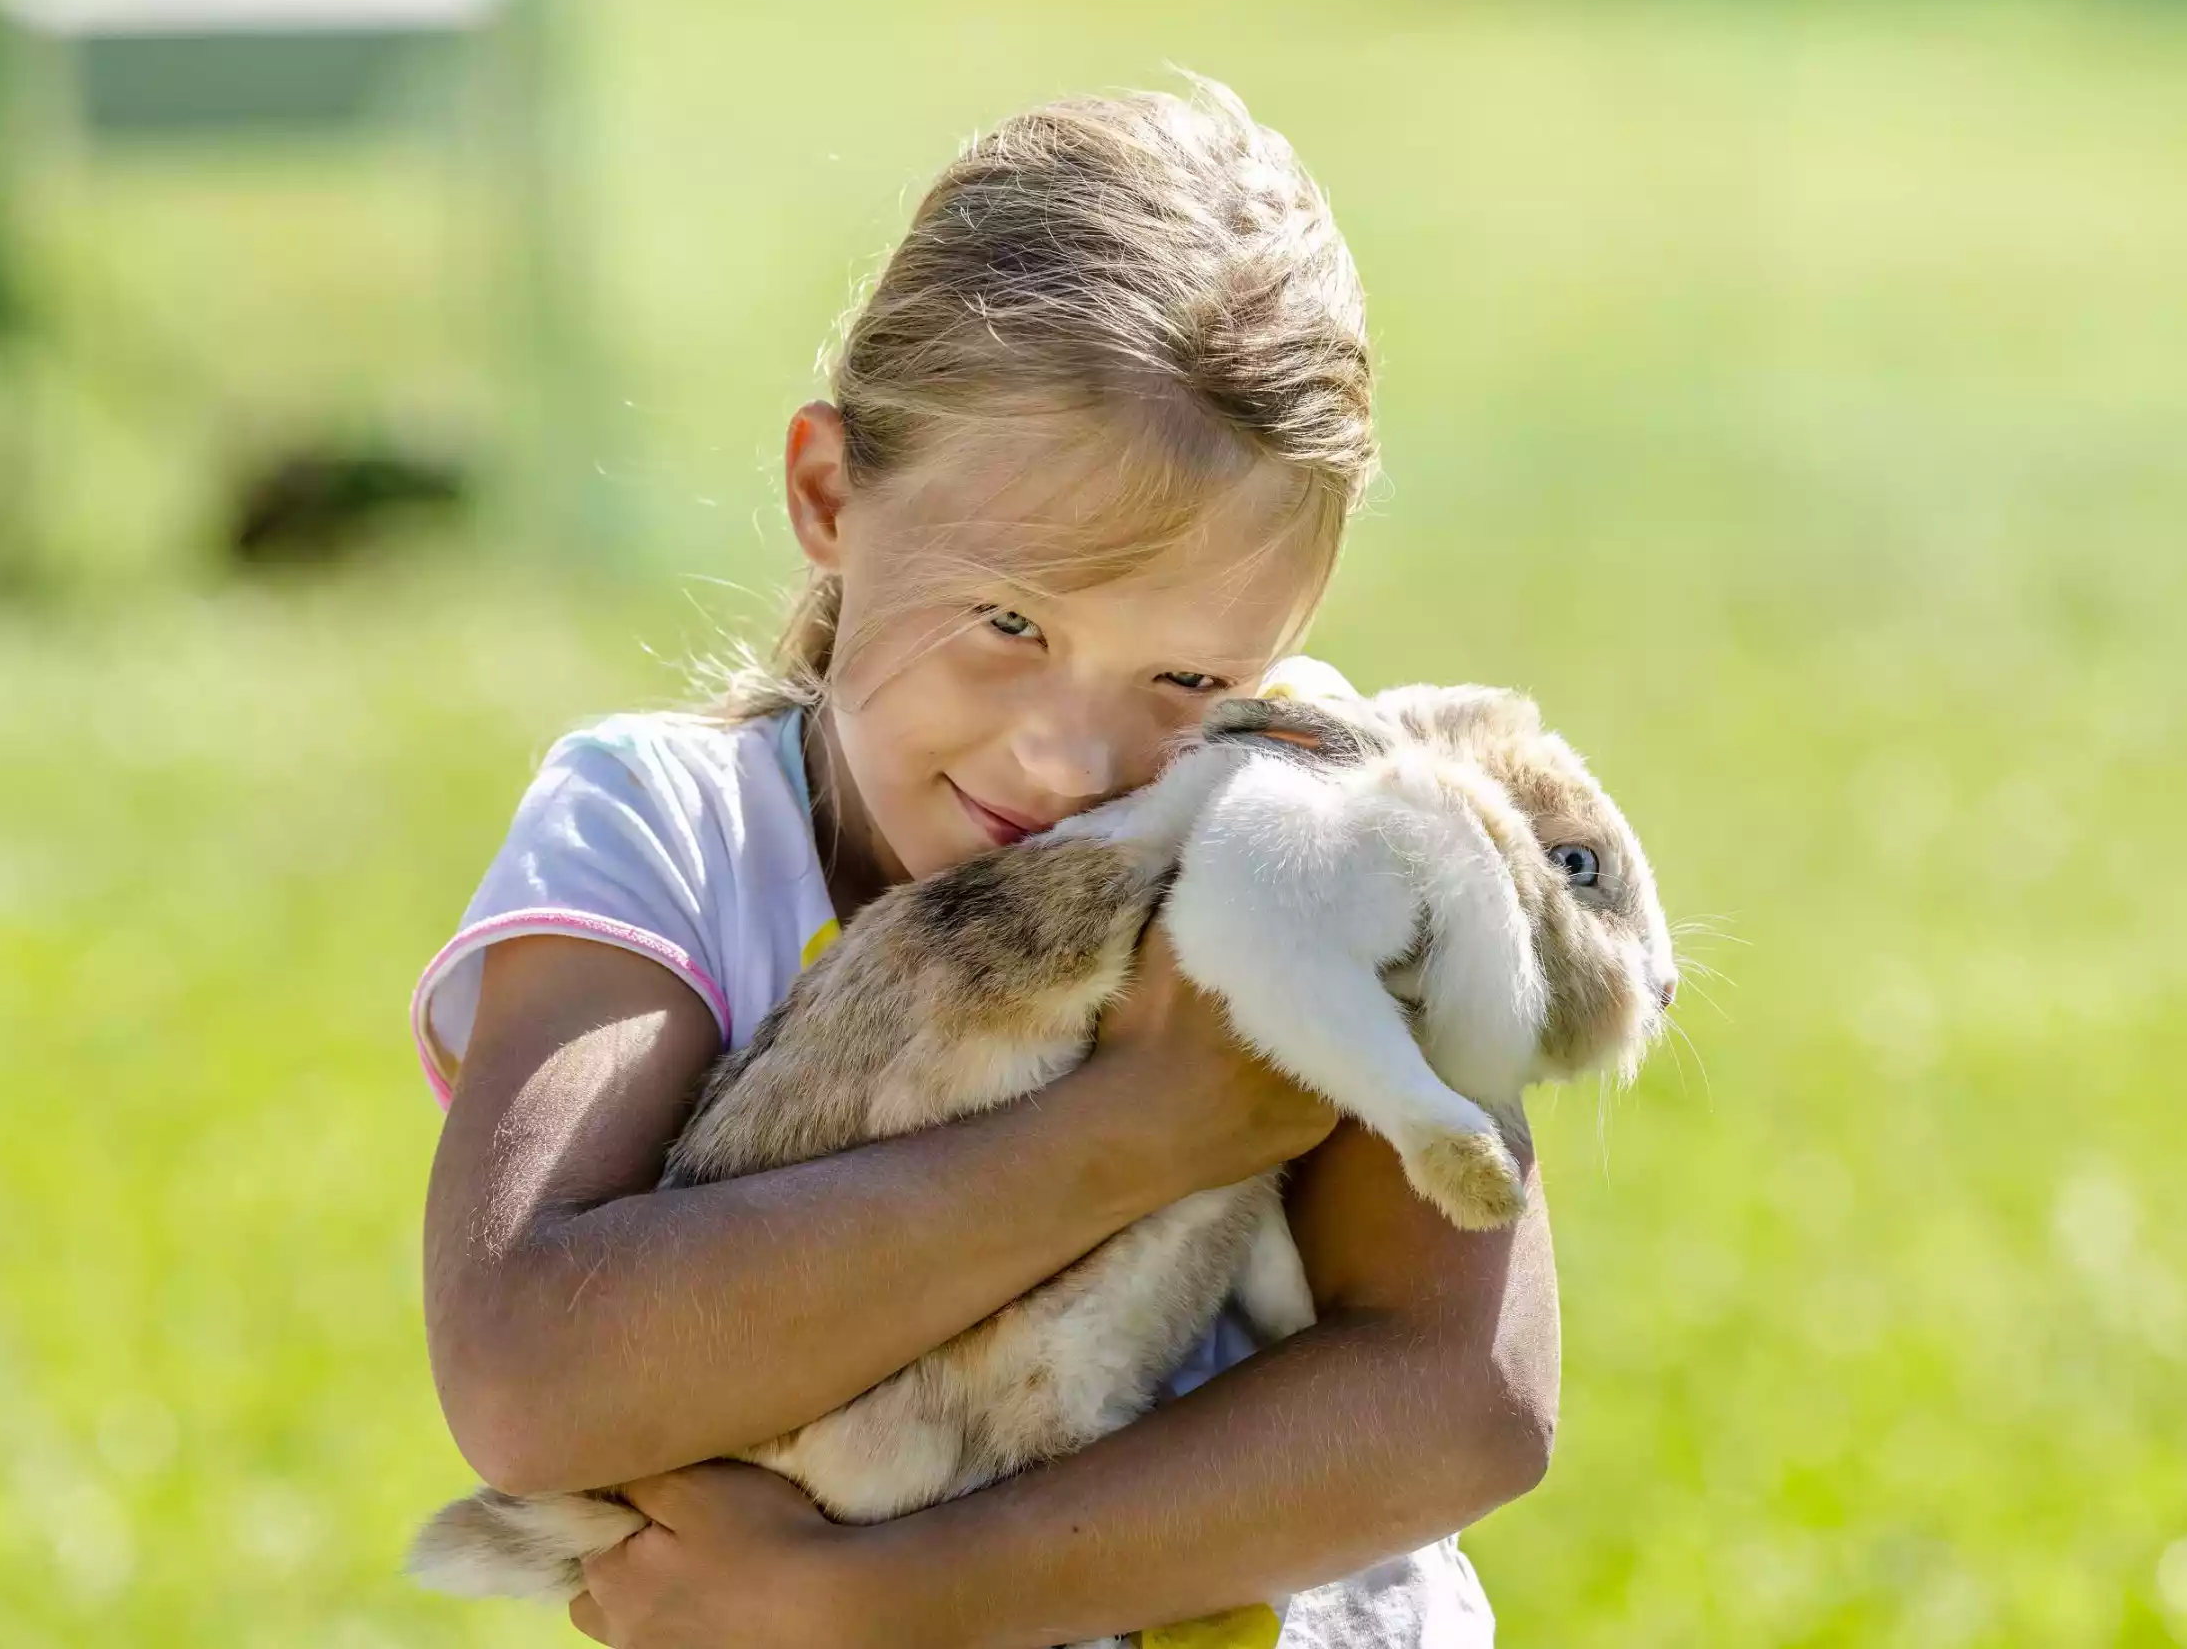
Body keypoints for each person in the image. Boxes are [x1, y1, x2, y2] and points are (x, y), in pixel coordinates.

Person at [412, 80, 1557, 1648]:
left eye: (1190, 679)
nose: (1068, 764)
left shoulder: (1317, 829)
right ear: (830, 492)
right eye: (1010, 624)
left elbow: (1468, 1402)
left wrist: (870, 1602)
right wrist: (1151, 1127)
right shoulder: (668, 835)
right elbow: (534, 1380)